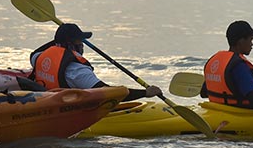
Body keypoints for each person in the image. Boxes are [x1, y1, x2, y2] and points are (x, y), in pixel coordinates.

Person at [29, 22, 162, 101]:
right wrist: (145, 93)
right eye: (80, 41)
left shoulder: (39, 57)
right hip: (67, 110)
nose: (82, 45)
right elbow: (107, 93)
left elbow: (35, 52)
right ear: (71, 44)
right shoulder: (76, 70)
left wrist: (60, 38)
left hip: (46, 100)